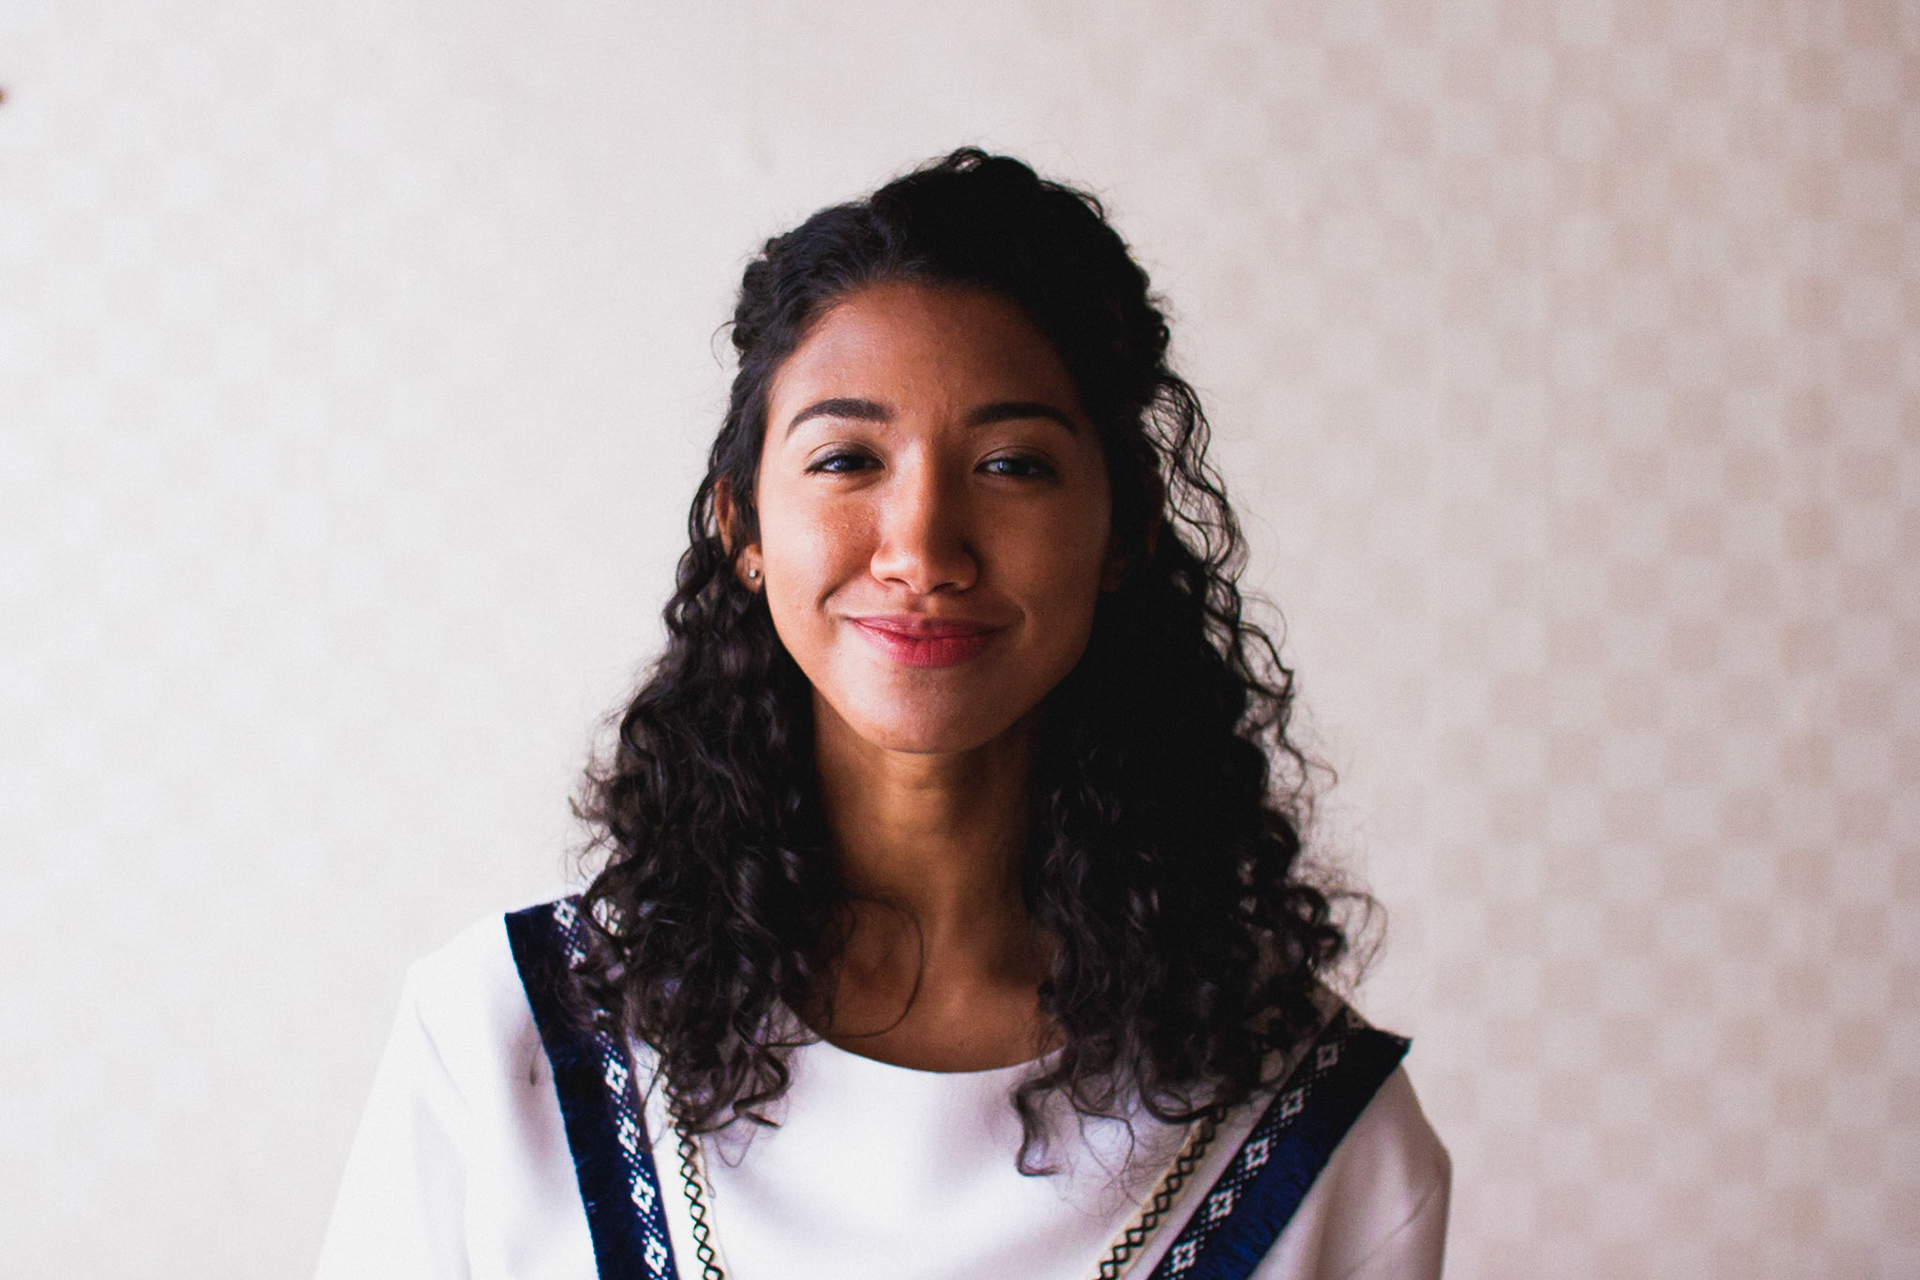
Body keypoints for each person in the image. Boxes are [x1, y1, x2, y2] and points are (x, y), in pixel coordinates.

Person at [317, 148, 1449, 1280]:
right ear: (742, 526)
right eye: (847, 458)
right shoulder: (506, 1047)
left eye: (1012, 464)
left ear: (1127, 530)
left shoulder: (1321, 1138)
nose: (921, 549)